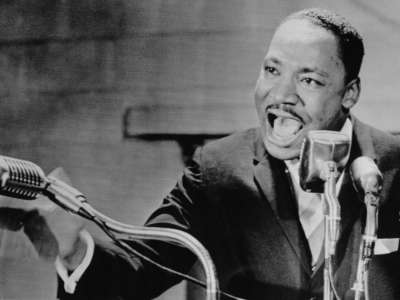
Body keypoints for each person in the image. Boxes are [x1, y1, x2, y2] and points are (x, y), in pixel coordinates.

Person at [5, 7, 400, 300]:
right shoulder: (218, 169)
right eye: (272, 70)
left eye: (309, 79)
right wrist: (73, 249)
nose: (280, 96)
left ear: (350, 93)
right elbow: (136, 274)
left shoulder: (396, 165)